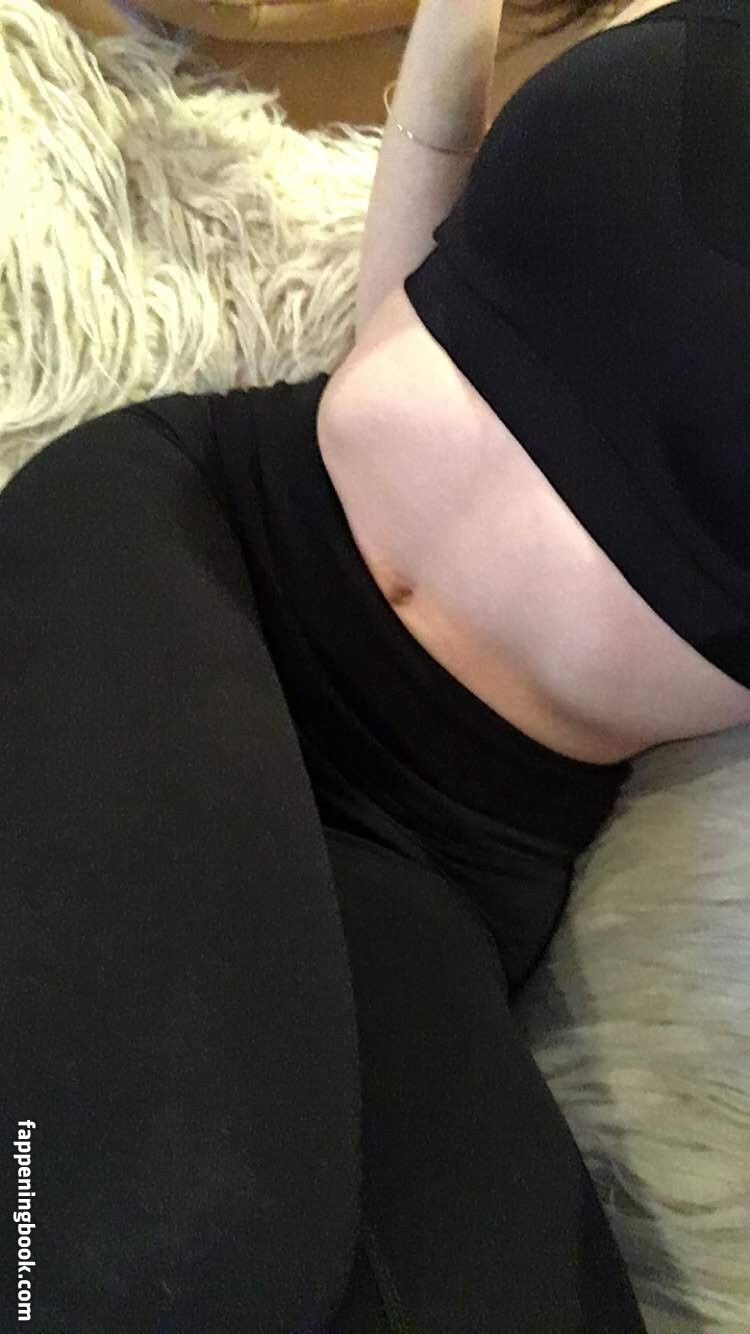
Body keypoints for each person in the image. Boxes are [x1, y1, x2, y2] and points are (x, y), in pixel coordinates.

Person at [1, 0, 746, 1328]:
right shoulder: (694, 33)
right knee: (166, 1244)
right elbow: (435, 257)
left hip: (452, 834)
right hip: (219, 540)